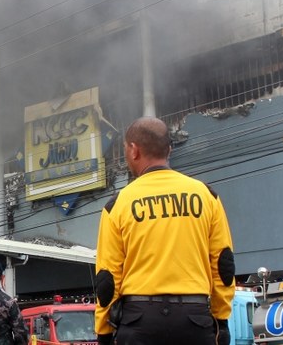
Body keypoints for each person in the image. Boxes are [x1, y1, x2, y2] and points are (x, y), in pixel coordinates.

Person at [94, 117, 236, 345]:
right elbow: (223, 265)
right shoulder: (206, 196)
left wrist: (104, 332)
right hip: (194, 321)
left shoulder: (116, 205)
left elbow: (107, 279)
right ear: (168, 150)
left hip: (139, 322)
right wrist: (221, 320)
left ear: (133, 150)